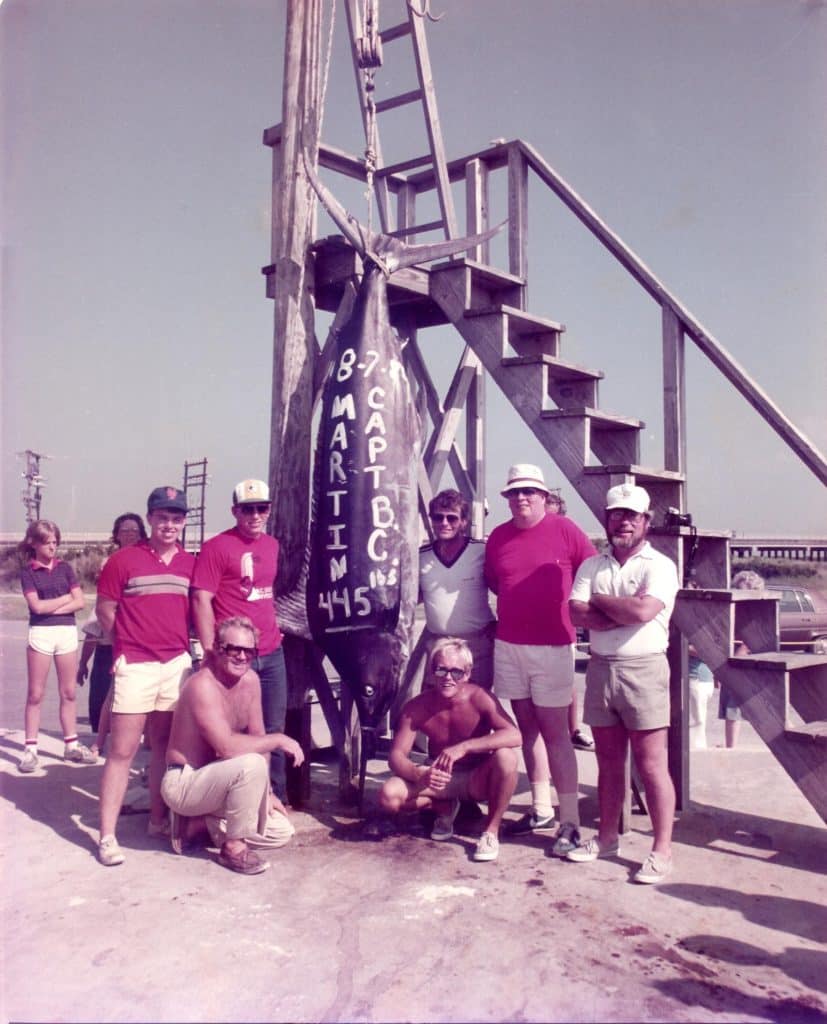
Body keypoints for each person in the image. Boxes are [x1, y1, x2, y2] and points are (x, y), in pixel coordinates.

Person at [567, 483, 680, 884]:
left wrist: (601, 602)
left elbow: (644, 610)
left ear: (646, 521)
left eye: (633, 516)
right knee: (608, 762)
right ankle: (607, 837)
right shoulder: (592, 566)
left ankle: (661, 850)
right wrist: (621, 610)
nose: (624, 522)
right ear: (608, 519)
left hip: (644, 670)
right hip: (600, 667)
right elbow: (577, 613)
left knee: (652, 766)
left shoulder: (660, 565)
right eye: (617, 514)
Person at [484, 463, 597, 855]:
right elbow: (497, 583)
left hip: (554, 647)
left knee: (557, 734)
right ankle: (540, 808)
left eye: (529, 492)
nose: (521, 498)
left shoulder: (565, 529)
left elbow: (593, 571)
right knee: (526, 730)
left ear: (545, 497)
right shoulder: (497, 537)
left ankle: (570, 822)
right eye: (514, 493)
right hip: (509, 645)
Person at [95, 486, 196, 866]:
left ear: (183, 521)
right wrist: (124, 647)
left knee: (163, 747)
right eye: (162, 517)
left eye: (176, 517)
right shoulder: (124, 560)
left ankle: (157, 820)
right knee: (121, 751)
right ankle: (106, 836)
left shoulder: (190, 563)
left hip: (175, 665)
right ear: (150, 518)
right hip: (136, 664)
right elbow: (106, 609)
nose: (169, 524)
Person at [162, 616, 304, 875]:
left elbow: (258, 737)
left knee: (281, 831)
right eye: (233, 649)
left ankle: (197, 826)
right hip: (186, 782)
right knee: (249, 763)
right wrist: (279, 739)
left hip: (221, 780)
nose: (241, 656)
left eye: (248, 651)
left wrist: (267, 792)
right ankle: (234, 849)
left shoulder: (250, 681)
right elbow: (227, 747)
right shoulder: (201, 685)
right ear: (217, 648)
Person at [379, 637, 521, 863]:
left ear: (467, 674)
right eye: (441, 670)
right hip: (438, 779)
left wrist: (464, 747)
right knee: (389, 795)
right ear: (432, 671)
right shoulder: (417, 706)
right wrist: (419, 774)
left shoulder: (480, 697)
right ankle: (443, 806)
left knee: (507, 757)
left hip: (476, 779)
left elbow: (515, 735)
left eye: (456, 672)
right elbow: (396, 756)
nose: (448, 678)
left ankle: (490, 832)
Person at [191, 479, 288, 803]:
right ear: (235, 511)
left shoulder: (273, 545)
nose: (255, 515)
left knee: (272, 726)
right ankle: (229, 798)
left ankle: (273, 796)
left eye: (262, 508)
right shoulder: (217, 547)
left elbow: (269, 595)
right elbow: (201, 599)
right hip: (232, 655)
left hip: (271, 651)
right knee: (230, 731)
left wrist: (275, 626)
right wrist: (209, 649)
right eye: (248, 509)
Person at [17, 520, 97, 772]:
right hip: (41, 634)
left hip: (66, 633)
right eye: (47, 542)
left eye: (55, 542)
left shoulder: (65, 569)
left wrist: (55, 605)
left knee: (69, 692)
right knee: (35, 694)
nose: (52, 546)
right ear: (34, 543)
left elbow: (80, 602)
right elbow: (36, 608)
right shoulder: (27, 572)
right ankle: (30, 750)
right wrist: (65, 599)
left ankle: (71, 746)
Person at [77, 513, 148, 755]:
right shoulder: (110, 562)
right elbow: (98, 617)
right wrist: (82, 662)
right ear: (116, 534)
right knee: (102, 693)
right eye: (125, 530)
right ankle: (98, 740)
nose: (129, 534)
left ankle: (141, 742)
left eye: (134, 531)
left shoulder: (147, 559)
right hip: (110, 634)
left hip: (138, 636)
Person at [419, 489, 495, 689]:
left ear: (463, 522)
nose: (444, 523)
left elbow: (503, 588)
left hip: (477, 643)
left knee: (477, 705)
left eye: (452, 518)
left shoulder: (482, 551)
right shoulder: (420, 556)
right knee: (436, 707)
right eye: (438, 517)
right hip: (439, 644)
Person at [544, 490, 594, 751]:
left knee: (566, 680)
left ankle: (573, 729)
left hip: (563, 623)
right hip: (531, 626)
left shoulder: (568, 541)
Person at [716, 569, 765, 748]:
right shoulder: (746, 609)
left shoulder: (750, 611)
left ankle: (732, 746)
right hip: (739, 660)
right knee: (732, 705)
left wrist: (737, 655)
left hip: (743, 662)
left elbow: (749, 641)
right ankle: (731, 745)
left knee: (734, 704)